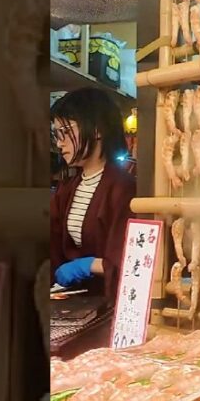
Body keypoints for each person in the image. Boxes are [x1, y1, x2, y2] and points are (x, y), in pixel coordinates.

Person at [50, 87, 135, 305]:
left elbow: (128, 263)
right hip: (73, 301)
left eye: (64, 132)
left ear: (97, 130)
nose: (59, 143)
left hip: (108, 304)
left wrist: (88, 266)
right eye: (55, 134)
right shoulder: (66, 189)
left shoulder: (123, 188)